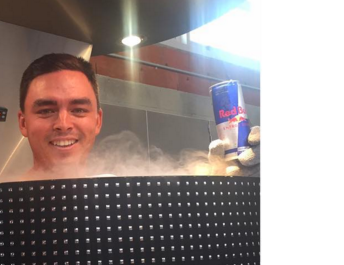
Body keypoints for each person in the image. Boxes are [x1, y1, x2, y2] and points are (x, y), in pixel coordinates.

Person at [17, 53, 259, 179]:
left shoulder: (119, 199)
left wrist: (235, 190)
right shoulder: (0, 207)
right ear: (23, 123)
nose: (63, 124)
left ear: (98, 121)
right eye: (46, 110)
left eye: (78, 109)